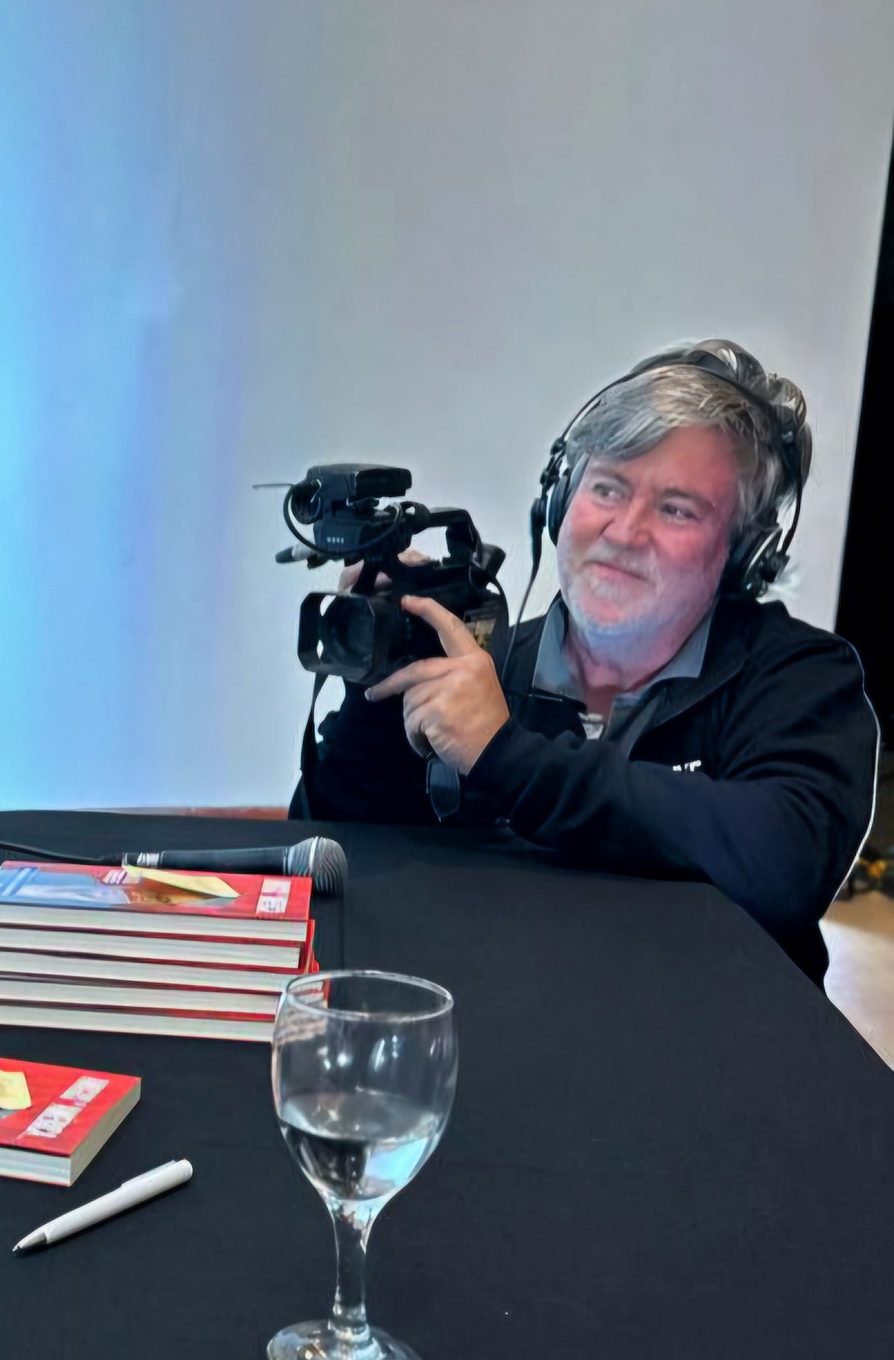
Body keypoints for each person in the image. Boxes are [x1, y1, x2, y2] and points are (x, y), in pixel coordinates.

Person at [294, 339, 880, 980]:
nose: (625, 532)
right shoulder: (482, 668)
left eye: (677, 509)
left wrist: (507, 756)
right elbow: (328, 865)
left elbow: (784, 864)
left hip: (709, 1033)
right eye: (607, 489)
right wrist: (374, 700)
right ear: (559, 503)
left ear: (743, 553)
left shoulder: (803, 679)